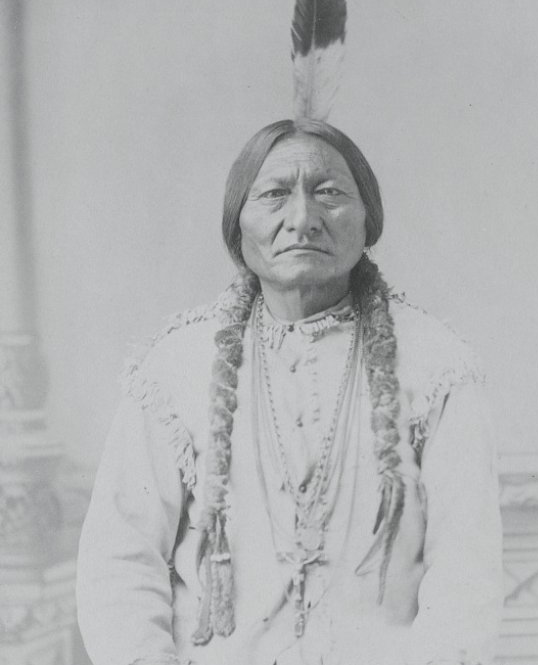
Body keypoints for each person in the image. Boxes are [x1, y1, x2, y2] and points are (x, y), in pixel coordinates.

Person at [76, 117, 504, 665]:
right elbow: (119, 564)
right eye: (275, 195)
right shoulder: (175, 368)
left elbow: (466, 580)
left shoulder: (438, 367)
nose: (303, 219)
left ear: (368, 219)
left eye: (329, 193)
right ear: (237, 226)